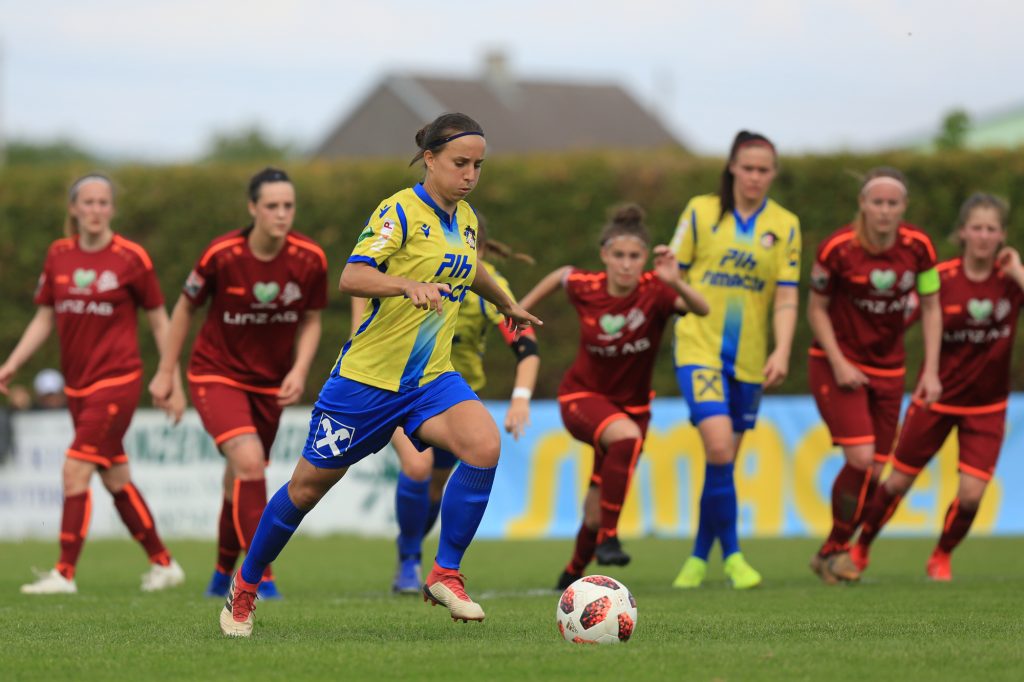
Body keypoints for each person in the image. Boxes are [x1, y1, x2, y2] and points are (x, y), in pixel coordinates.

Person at [217, 112, 541, 637]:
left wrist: (507, 302)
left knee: (484, 445)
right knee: (304, 490)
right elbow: (352, 275)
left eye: (478, 165)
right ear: (430, 159)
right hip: (365, 385)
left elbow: (470, 267)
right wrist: (403, 284)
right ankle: (245, 587)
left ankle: (446, 573)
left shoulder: (468, 220)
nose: (470, 175)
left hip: (429, 381)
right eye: (460, 163)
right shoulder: (400, 211)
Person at [0, 174, 185, 594]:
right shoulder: (58, 255)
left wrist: (170, 375)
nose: (96, 210)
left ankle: (64, 573)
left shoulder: (131, 257)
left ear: (112, 210)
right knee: (115, 478)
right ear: (74, 209)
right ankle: (164, 563)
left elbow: (161, 319)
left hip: (118, 381)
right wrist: (11, 363)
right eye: (88, 202)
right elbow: (45, 316)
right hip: (78, 388)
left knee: (75, 470)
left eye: (104, 202)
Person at [149, 167, 328, 601]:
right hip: (216, 374)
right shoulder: (221, 255)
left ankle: (218, 575)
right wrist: (166, 371)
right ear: (253, 208)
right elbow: (185, 308)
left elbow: (311, 320)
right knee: (250, 463)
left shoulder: (310, 259)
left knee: (238, 479)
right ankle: (259, 577)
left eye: (288, 206)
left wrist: (300, 369)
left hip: (270, 385)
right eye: (272, 206)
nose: (281, 215)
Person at [518, 204, 708, 590]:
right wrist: (518, 309)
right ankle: (610, 538)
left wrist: (676, 281)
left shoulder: (656, 290)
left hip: (633, 410)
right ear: (604, 255)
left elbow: (701, 309)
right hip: (581, 398)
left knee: (595, 508)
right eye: (618, 255)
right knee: (625, 439)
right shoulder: (588, 287)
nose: (626, 264)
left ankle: (571, 573)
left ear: (645, 258)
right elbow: (561, 275)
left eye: (634, 256)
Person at [354, 218, 541, 595]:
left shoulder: (490, 290)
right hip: (397, 389)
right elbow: (363, 276)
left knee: (436, 489)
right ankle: (409, 560)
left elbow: (528, 349)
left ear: (478, 254)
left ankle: (413, 552)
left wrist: (520, 399)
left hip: (451, 402)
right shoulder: (416, 268)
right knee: (417, 465)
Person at [852, 194, 1021, 580]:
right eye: (976, 228)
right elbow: (897, 323)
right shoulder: (941, 278)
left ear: (1002, 236)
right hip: (937, 399)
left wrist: (1019, 272)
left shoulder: (1010, 282)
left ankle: (941, 555)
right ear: (962, 232)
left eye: (991, 229)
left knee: (972, 494)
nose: (983, 236)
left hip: (987, 407)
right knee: (895, 481)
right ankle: (860, 549)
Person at [668, 131, 801, 590]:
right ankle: (737, 556)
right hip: (698, 347)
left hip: (748, 360)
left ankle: (699, 557)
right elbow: (674, 277)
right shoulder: (700, 212)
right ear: (732, 168)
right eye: (748, 168)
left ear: (773, 174)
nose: (755, 177)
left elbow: (786, 297)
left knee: (720, 461)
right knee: (720, 447)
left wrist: (781, 349)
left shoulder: (785, 225)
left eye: (764, 169)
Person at [807, 167, 942, 584]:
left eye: (892, 203)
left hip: (890, 370)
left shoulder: (919, 247)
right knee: (861, 457)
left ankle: (832, 550)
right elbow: (816, 309)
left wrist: (931, 371)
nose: (884, 211)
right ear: (862, 205)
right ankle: (836, 551)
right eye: (877, 202)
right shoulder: (837, 248)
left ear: (903, 207)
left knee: (876, 471)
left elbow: (932, 306)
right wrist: (840, 361)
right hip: (837, 365)